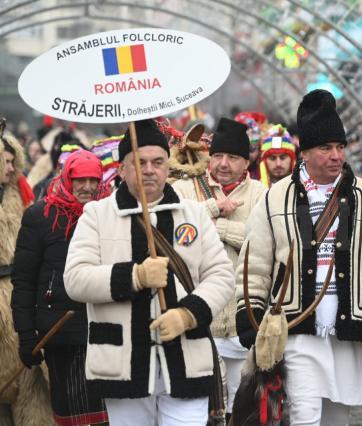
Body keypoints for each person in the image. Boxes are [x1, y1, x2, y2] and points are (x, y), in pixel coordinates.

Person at [237, 89, 362, 425]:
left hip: (350, 328)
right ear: (305, 152)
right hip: (296, 327)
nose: (336, 156)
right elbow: (255, 262)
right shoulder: (276, 197)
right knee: (304, 414)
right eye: (326, 148)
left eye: (340, 148)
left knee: (339, 418)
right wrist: (250, 311)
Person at [63, 119, 235, 425]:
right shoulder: (97, 215)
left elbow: (221, 275)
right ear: (121, 169)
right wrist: (135, 277)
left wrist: (188, 314)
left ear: (168, 167)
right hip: (123, 364)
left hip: (186, 358)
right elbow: (75, 279)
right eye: (139, 162)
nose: (149, 170)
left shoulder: (193, 213)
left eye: (158, 162)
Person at [172, 116, 265, 419]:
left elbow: (261, 244)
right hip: (201, 320)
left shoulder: (261, 195)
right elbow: (176, 229)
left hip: (244, 321)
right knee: (207, 409)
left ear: (247, 160)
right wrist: (212, 208)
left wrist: (217, 228)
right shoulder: (187, 189)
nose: (223, 164)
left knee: (244, 406)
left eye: (233, 157)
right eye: (217, 156)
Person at [11, 150, 109, 425]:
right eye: (81, 179)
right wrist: (26, 333)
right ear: (67, 178)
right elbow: (24, 280)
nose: (88, 187)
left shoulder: (110, 213)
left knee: (110, 414)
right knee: (72, 413)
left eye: (93, 179)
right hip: (61, 331)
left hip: (105, 328)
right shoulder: (40, 216)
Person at [0, 126, 52, 426]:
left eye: (12, 161)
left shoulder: (20, 195)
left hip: (18, 296)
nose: (11, 168)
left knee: (28, 380)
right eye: (5, 162)